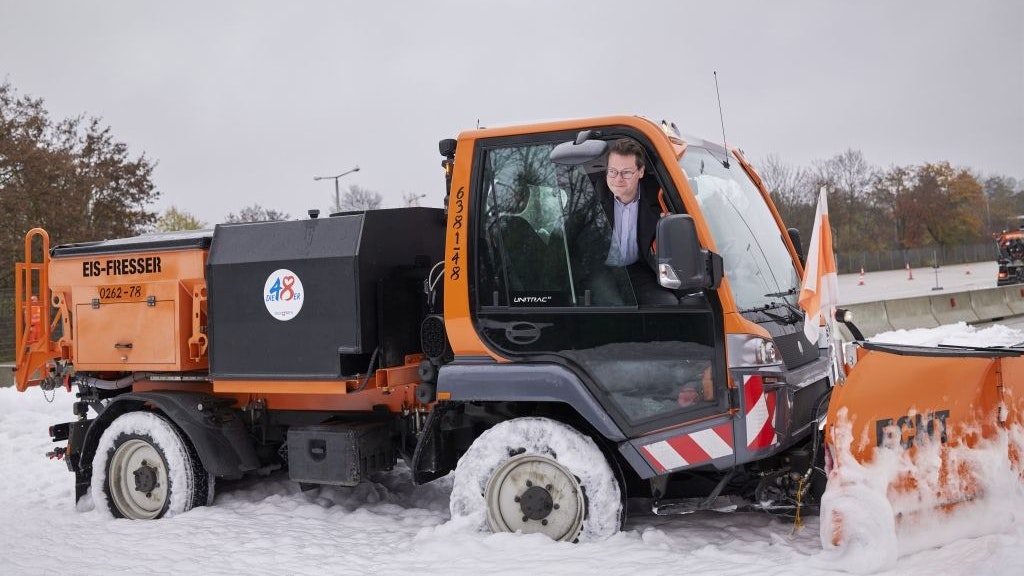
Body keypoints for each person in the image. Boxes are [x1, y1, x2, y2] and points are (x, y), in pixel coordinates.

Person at [599, 138, 678, 306]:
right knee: (613, 308)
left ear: (641, 172)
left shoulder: (661, 201)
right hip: (601, 271)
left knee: (668, 305)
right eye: (612, 171)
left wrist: (668, 228)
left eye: (626, 172)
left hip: (639, 269)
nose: (618, 179)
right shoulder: (591, 198)